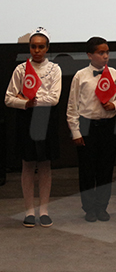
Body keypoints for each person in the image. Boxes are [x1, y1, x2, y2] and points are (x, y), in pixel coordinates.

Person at [66, 36, 116, 222]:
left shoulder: (114, 74)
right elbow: (72, 106)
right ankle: (89, 208)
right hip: (87, 125)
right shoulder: (80, 76)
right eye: (101, 53)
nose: (105, 56)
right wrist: (75, 132)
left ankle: (102, 206)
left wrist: (114, 105)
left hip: (108, 126)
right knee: (87, 170)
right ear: (89, 55)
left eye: (107, 52)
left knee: (105, 169)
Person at [5, 27, 61, 227]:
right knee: (27, 164)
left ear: (47, 48)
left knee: (45, 165)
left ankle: (44, 210)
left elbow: (54, 98)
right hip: (26, 119)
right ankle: (29, 211)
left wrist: (30, 100)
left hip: (46, 119)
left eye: (41, 47)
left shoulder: (54, 69)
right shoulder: (21, 69)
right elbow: (8, 98)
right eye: (33, 47)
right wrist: (24, 103)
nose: (37, 51)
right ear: (29, 47)